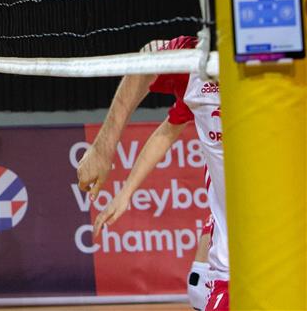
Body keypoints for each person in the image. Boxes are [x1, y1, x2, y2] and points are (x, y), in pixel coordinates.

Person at [81, 36, 227, 311]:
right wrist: (123, 190)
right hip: (229, 250)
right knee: (198, 288)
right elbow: (166, 128)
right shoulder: (194, 64)